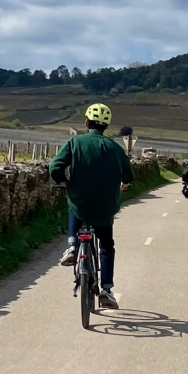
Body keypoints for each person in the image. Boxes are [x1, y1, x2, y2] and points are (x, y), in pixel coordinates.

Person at [52, 102, 134, 307]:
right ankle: (106, 289)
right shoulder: (115, 148)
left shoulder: (75, 142)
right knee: (106, 245)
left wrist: (63, 180)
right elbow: (128, 176)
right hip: (106, 205)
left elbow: (55, 167)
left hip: (80, 201)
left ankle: (72, 246)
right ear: (106, 126)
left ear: (86, 123)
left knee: (74, 205)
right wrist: (123, 185)